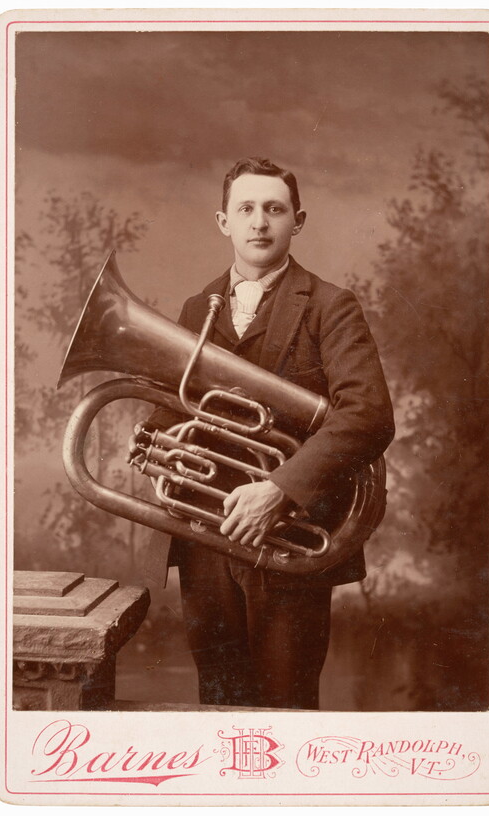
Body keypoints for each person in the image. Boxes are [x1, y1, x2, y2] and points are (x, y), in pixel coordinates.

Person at [147, 157, 394, 710]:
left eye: (274, 209)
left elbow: (369, 414)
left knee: (287, 707)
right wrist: (157, 446)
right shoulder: (197, 307)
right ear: (224, 222)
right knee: (218, 705)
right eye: (246, 209)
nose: (259, 222)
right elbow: (169, 408)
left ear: (297, 222)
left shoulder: (330, 306)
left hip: (289, 538)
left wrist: (280, 489)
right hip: (204, 539)